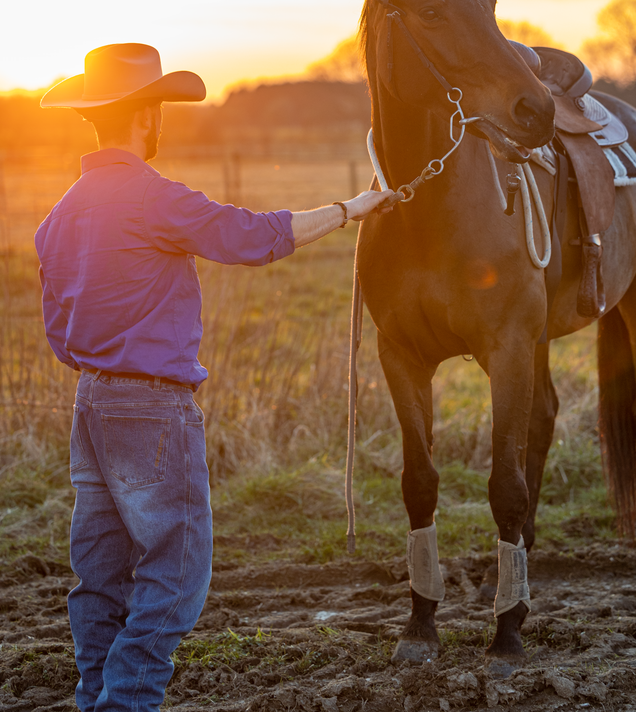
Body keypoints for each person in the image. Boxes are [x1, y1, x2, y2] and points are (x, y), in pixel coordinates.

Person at [35, 42, 395, 712]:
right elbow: (253, 237)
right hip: (151, 410)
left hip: (89, 404)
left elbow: (59, 336)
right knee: (177, 573)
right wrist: (351, 209)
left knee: (101, 574)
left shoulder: (60, 215)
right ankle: (125, 704)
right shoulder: (153, 197)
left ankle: (96, 699)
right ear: (146, 115)